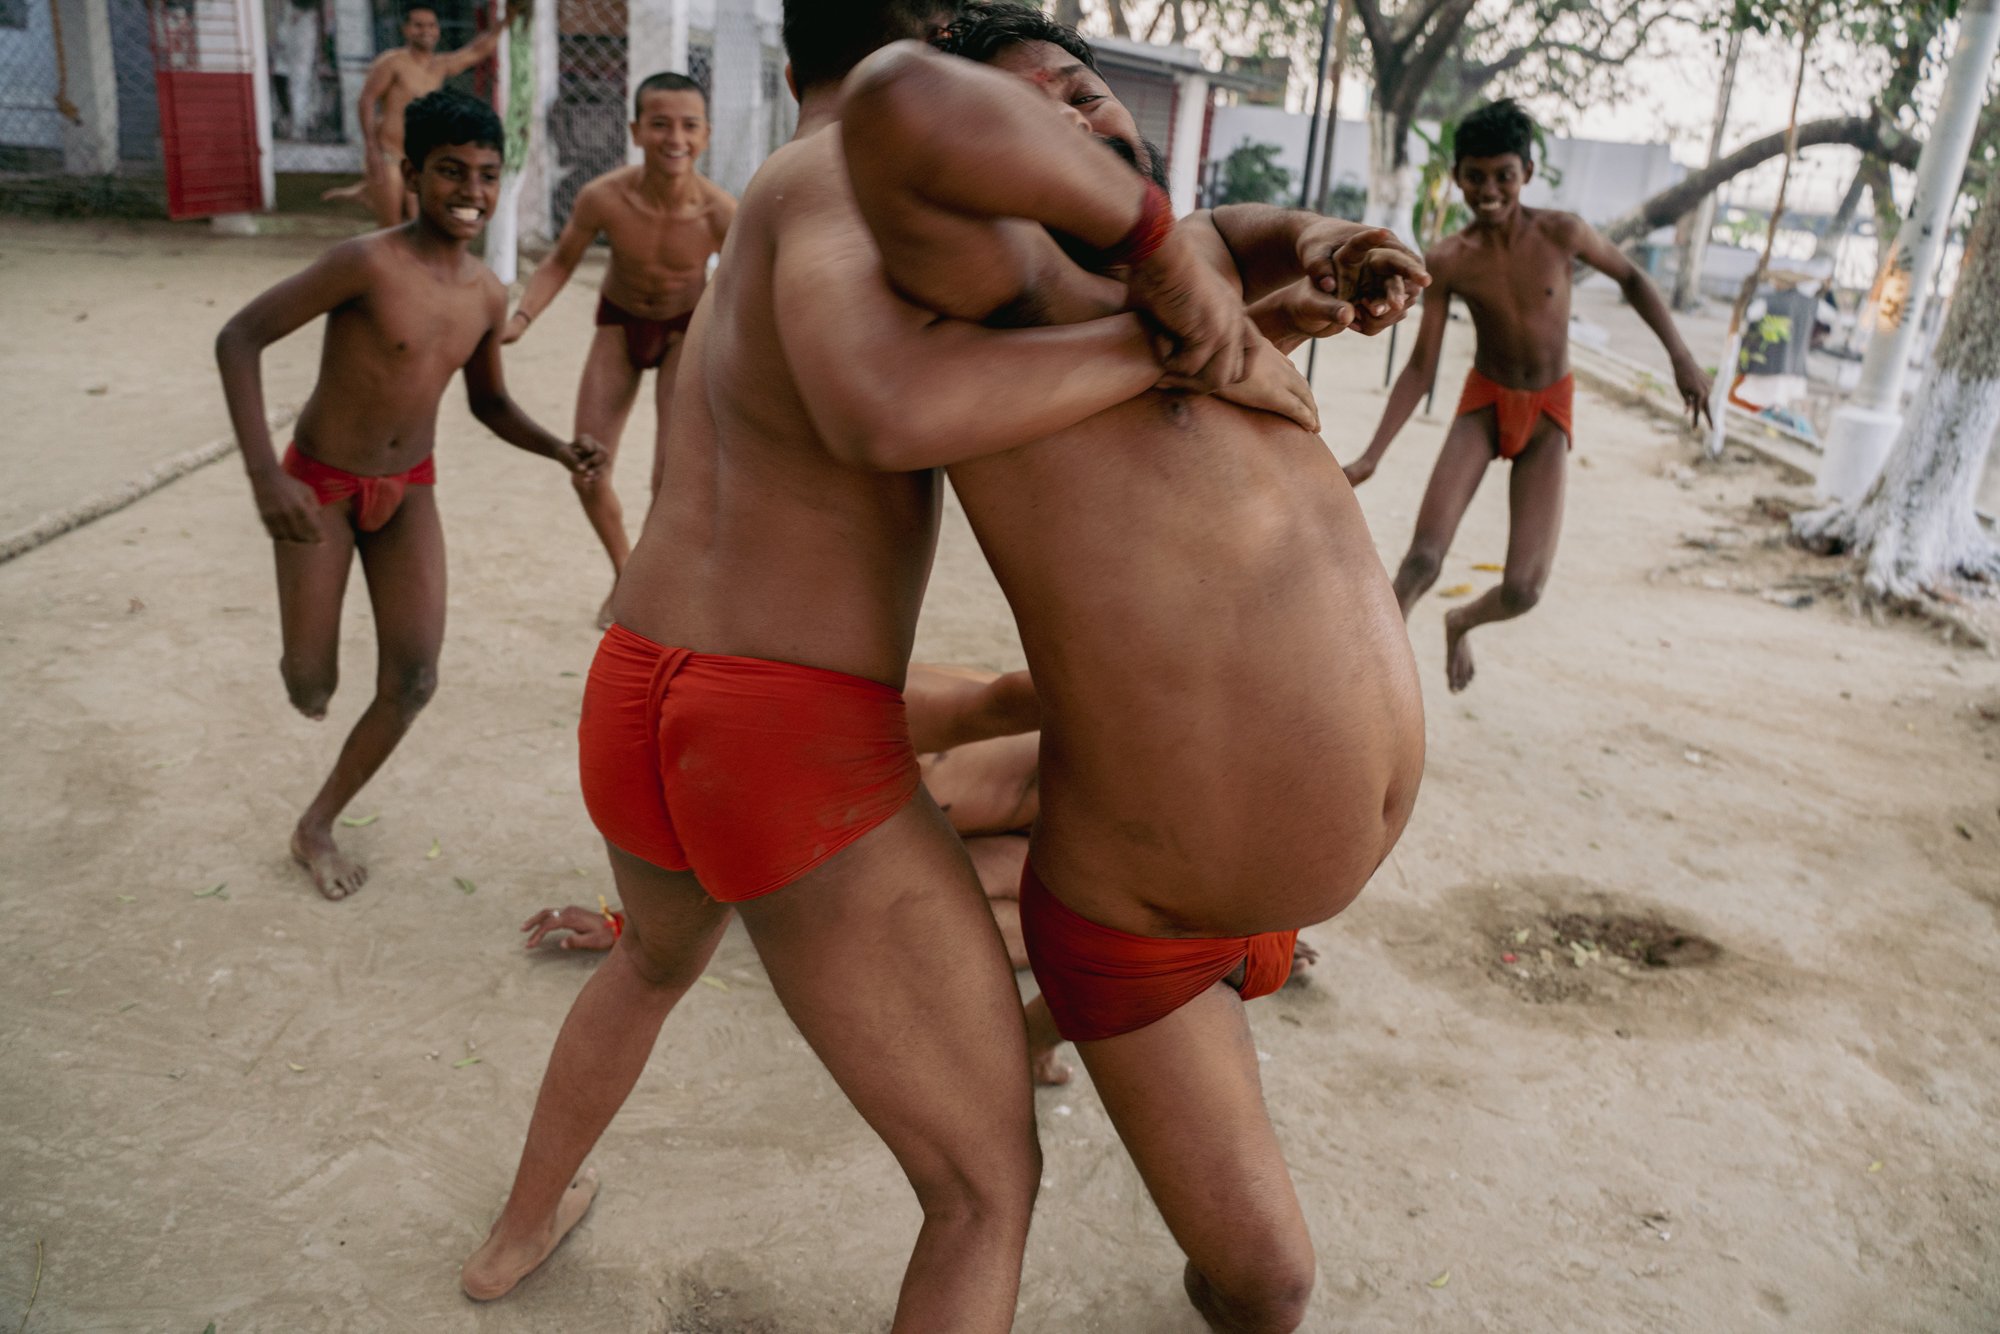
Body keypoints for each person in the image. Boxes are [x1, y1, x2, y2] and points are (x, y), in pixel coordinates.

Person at [456, 2, 1303, 1324]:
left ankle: (515, 1231)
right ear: (916, 49)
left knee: (655, 962)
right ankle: (520, 1226)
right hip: (777, 723)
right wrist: (1180, 338)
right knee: (982, 1189)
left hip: (640, 680)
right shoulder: (854, 174)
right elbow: (888, 406)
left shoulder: (773, 201)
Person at [838, 8, 1430, 1328]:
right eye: (1031, 109)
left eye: (1087, 92)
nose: (1076, 119)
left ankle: (1050, 1037)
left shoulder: (1212, 257)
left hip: (1273, 867)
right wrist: (1163, 260)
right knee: (1268, 1285)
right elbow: (896, 105)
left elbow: (1250, 228)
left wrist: (1322, 242)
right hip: (1146, 917)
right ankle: (1070, 1032)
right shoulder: (1004, 298)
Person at [215, 90, 604, 901]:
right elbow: (239, 337)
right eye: (451, 171)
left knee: (416, 679)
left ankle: (317, 824)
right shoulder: (365, 263)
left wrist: (560, 450)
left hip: (409, 493)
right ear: (412, 174)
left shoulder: (488, 294)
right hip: (317, 486)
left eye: (488, 175)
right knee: (309, 685)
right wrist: (265, 475)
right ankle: (306, 661)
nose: (471, 189)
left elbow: (487, 404)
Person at [1341, 98, 1713, 693]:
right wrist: (1371, 456)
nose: (1489, 190)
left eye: (1503, 176)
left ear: (1527, 175)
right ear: (1457, 177)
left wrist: (1681, 357)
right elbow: (1420, 367)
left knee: (1523, 589)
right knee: (1421, 562)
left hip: (1546, 415)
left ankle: (1461, 623)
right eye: (1476, 176)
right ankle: (1368, 680)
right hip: (1484, 407)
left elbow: (1633, 278)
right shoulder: (1449, 260)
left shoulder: (1561, 234)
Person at [502, 72, 737, 627]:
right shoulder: (604, 197)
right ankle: (625, 570)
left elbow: (740, 292)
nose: (673, 137)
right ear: (635, 130)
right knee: (587, 464)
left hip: (684, 331)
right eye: (659, 124)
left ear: (706, 135)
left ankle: (649, 588)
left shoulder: (721, 213)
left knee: (670, 476)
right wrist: (521, 317)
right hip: (619, 324)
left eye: (688, 126)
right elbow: (559, 262)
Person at [323, 3, 516, 228]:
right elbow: (366, 101)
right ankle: (369, 190)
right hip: (389, 155)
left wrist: (507, 20)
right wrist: (372, 150)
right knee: (392, 228)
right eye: (418, 25)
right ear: (406, 30)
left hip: (418, 158)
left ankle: (365, 191)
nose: (426, 31)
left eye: (431, 25)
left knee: (418, 225)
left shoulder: (440, 65)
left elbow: (476, 51)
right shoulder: (391, 62)